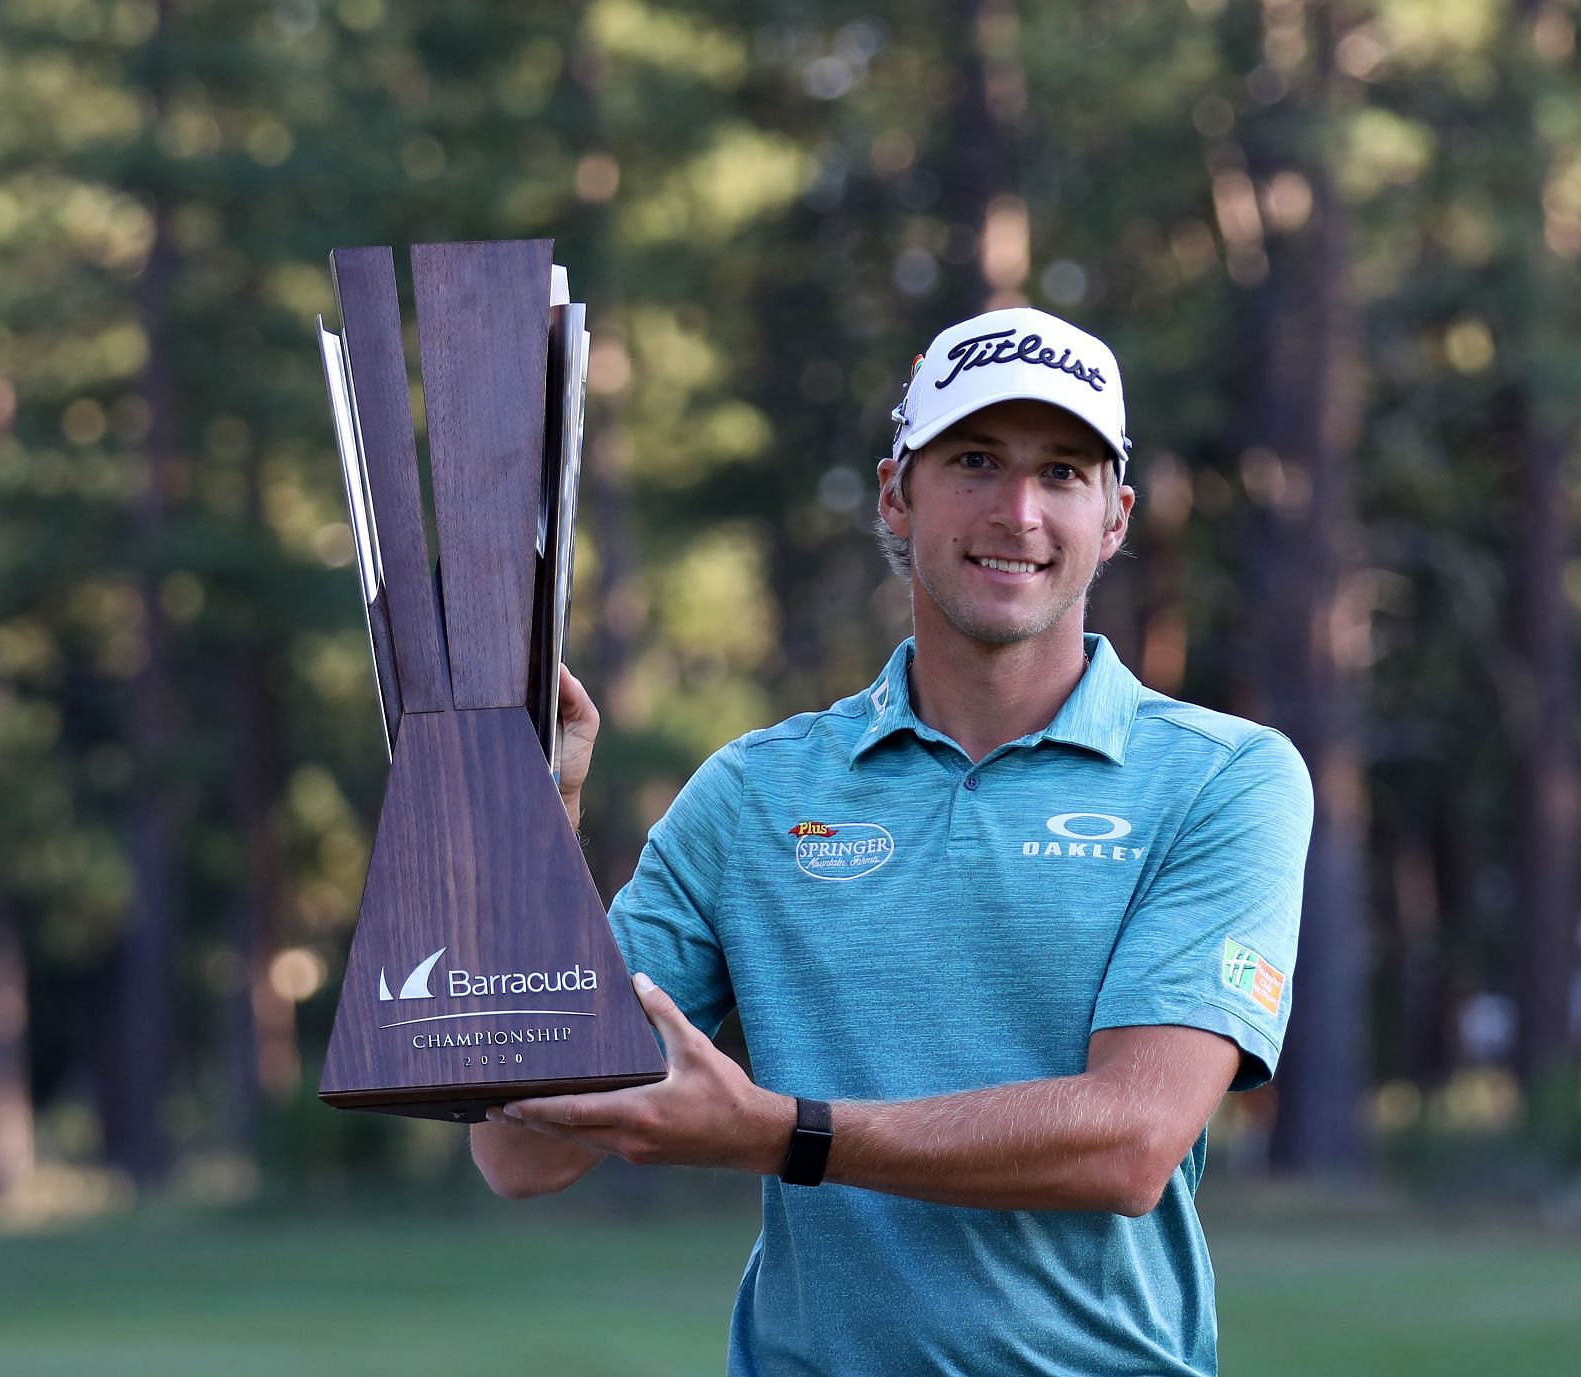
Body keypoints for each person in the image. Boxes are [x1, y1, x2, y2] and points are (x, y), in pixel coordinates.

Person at [470, 306, 1315, 1377]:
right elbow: (519, 1151)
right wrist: (528, 829)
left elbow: (1130, 1142)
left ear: (1114, 517)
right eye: (973, 460)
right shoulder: (753, 792)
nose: (1018, 511)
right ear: (895, 494)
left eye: (1062, 472)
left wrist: (785, 1134)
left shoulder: (1225, 777)